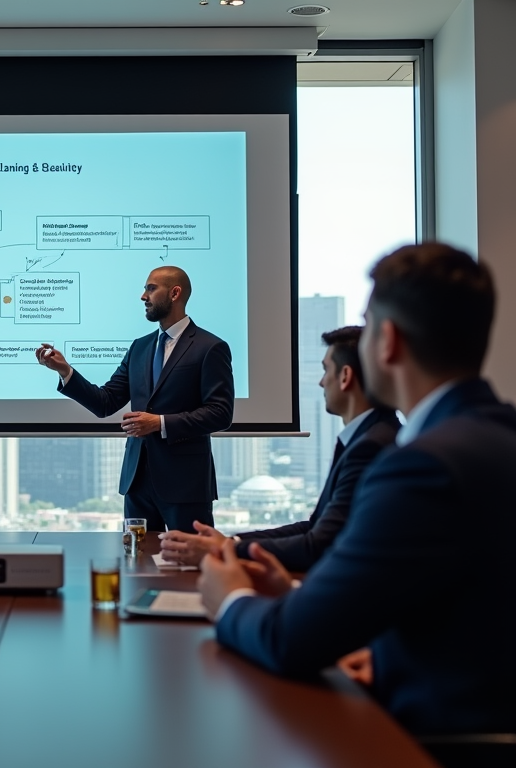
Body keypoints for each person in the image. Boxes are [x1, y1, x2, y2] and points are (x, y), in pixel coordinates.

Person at [198, 243, 516, 738]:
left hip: (436, 744)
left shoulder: (420, 468)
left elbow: (289, 642)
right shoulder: (496, 436)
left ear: (387, 341)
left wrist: (231, 598)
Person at [160, 326, 400, 571]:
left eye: (326, 369)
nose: (321, 382)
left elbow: (318, 545)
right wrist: (231, 542)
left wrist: (224, 550)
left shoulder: (371, 445)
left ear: (346, 376)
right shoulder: (368, 436)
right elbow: (314, 527)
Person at [35, 266, 233, 532]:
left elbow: (221, 413)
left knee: (189, 565)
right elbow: (105, 402)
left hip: (185, 485)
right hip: (136, 483)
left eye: (151, 289)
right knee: (137, 564)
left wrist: (160, 423)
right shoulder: (140, 347)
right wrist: (65, 371)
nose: (143, 296)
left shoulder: (210, 347)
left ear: (175, 293)